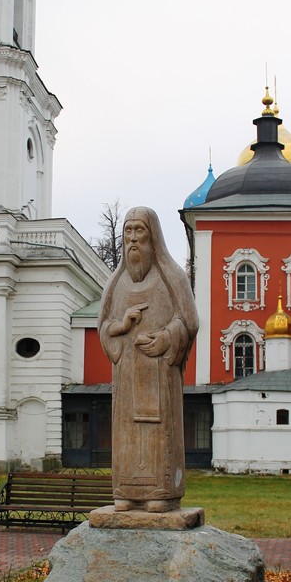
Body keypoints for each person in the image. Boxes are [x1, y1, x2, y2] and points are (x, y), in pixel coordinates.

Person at [98, 207, 199, 512]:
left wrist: (167, 337)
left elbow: (189, 320)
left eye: (139, 231)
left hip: (159, 375)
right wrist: (122, 327)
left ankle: (162, 491)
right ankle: (125, 490)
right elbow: (103, 326)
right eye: (127, 232)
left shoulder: (172, 277)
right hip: (127, 377)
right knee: (127, 431)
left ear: (152, 236)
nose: (132, 239)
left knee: (157, 431)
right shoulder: (115, 284)